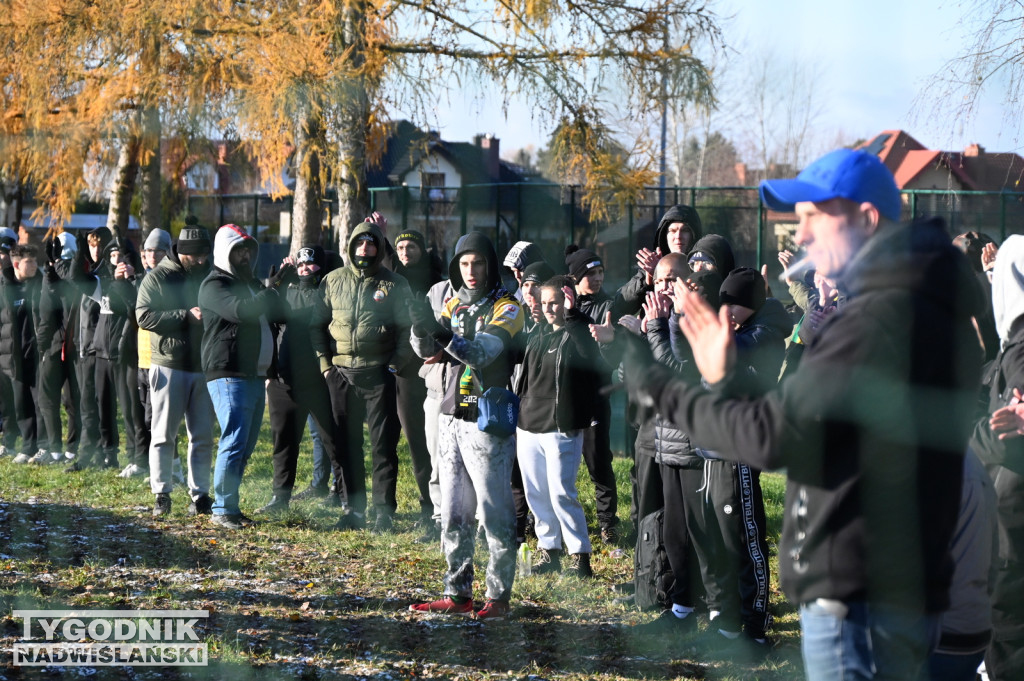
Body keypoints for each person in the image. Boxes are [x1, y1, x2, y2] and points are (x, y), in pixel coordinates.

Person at [621, 148, 984, 680]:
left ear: (867, 219)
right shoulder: (930, 304)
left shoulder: (873, 321)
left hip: (858, 599)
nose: (804, 235)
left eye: (816, 217)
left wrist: (668, 387)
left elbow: (774, 436)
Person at [408, 231, 524, 621]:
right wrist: (420, 326)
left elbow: (480, 352)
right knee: (453, 512)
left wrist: (440, 333)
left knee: (493, 512)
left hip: (487, 420)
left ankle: (499, 596)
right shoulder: (453, 303)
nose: (470, 271)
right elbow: (426, 352)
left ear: (490, 265)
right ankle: (458, 593)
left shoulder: (508, 307)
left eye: (478, 263)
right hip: (450, 416)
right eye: (463, 263)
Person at [312, 221, 414, 533]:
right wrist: (325, 366)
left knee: (383, 447)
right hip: (341, 375)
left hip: (380, 375)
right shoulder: (332, 280)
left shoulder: (395, 284)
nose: (364, 249)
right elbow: (316, 325)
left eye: (371, 244)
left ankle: (383, 512)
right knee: (345, 445)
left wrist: (394, 366)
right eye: (360, 243)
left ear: (380, 248)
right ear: (351, 246)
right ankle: (352, 510)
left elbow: (407, 330)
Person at [514, 275, 604, 577]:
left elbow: (591, 358)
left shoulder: (577, 333)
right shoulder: (536, 333)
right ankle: (549, 550)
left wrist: (574, 314)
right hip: (528, 425)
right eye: (545, 303)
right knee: (536, 493)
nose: (550, 308)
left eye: (556, 303)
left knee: (562, 492)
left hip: (560, 426)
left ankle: (580, 557)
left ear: (568, 302)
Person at [200, 224, 284, 530]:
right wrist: (269, 290)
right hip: (227, 373)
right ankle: (222, 508)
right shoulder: (214, 284)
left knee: (245, 445)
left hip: (252, 374)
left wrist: (273, 289)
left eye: (249, 250)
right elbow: (242, 312)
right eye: (239, 250)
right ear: (225, 252)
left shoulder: (249, 284)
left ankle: (230, 506)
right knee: (234, 439)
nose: (246, 255)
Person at [136, 224, 215, 517]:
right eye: (198, 256)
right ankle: (162, 493)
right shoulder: (158, 278)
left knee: (202, 436)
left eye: (206, 254)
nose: (203, 260)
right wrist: (184, 316)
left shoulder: (207, 275)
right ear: (183, 253)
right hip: (168, 364)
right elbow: (143, 316)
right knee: (163, 433)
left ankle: (201, 495)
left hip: (203, 366)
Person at [261, 245, 344, 515]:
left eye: (311, 265)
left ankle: (343, 495)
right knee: (283, 441)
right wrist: (272, 286)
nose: (305, 269)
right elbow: (268, 321)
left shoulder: (328, 292)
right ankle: (280, 498)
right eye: (301, 265)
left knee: (334, 440)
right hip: (285, 379)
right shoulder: (286, 289)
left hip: (321, 379)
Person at [35, 233, 81, 465]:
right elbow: (46, 311)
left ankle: (71, 450)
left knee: (73, 401)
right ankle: (54, 449)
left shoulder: (78, 274)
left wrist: (59, 265)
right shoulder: (52, 277)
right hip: (54, 347)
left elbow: (73, 286)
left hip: (74, 347)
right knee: (48, 399)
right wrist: (49, 273)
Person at [2, 244, 44, 464]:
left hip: (37, 356)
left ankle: (43, 447)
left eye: (36, 261)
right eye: (30, 262)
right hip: (13, 357)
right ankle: (27, 447)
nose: (35, 265)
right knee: (21, 404)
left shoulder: (41, 284)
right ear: (17, 264)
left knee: (40, 403)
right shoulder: (5, 287)